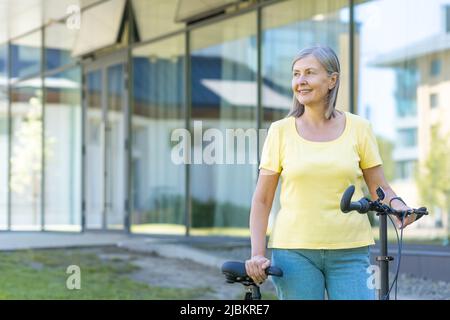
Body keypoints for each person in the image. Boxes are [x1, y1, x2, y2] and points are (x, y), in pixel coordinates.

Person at [245, 45, 420, 300]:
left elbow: (379, 188)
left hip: (350, 250)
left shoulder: (359, 128)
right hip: (295, 251)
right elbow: (262, 200)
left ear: (332, 80)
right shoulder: (280, 131)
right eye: (296, 74)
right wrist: (257, 254)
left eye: (309, 73)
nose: (300, 81)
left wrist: (399, 209)